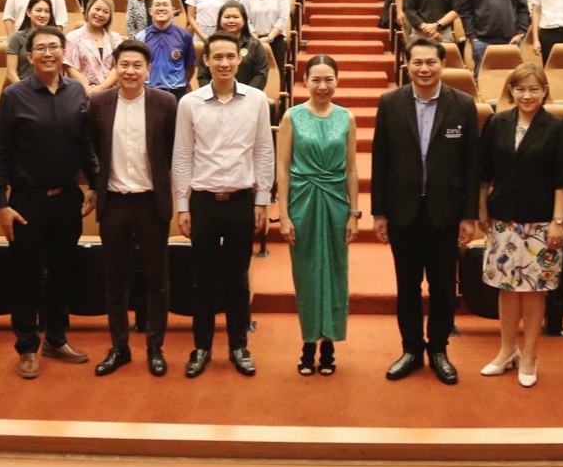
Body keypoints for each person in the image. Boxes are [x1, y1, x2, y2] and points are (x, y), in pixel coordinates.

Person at [0, 25, 98, 379]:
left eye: (54, 47)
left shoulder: (76, 92)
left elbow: (85, 145)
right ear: (29, 55)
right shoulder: (14, 95)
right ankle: (26, 346)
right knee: (27, 276)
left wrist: (95, 185)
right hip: (26, 202)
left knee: (63, 272)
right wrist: (0, 203)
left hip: (67, 200)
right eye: (41, 48)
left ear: (64, 52)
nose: (48, 53)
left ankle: (56, 338)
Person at [373, 37, 479, 385]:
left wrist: (469, 215)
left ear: (443, 64)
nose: (423, 69)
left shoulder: (463, 104)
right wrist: (379, 212)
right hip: (402, 211)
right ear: (407, 65)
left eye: (430, 62)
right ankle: (411, 349)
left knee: (443, 288)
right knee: (407, 287)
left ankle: (439, 350)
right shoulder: (390, 102)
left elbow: (471, 164)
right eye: (417, 62)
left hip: (445, 213)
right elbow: (380, 160)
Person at [172, 30, 275, 378]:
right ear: (206, 61)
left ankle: (238, 346)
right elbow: (182, 155)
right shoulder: (189, 103)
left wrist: (263, 200)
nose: (225, 63)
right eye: (217, 57)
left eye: (231, 56)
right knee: (201, 279)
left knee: (238, 279)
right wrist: (182, 205)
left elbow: (264, 151)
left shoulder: (257, 100)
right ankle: (201, 347)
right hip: (203, 201)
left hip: (241, 201)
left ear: (239, 58)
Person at [477, 64, 563, 388]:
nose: (527, 95)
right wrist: (481, 209)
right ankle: (507, 351)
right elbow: (483, 173)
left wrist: (558, 221)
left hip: (542, 222)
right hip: (503, 219)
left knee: (533, 291)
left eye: (533, 89)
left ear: (545, 90)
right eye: (520, 89)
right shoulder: (498, 122)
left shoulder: (557, 127)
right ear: (511, 91)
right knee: (506, 289)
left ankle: (530, 355)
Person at [86, 39, 176, 377]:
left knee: (157, 279)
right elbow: (91, 146)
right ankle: (119, 347)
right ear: (115, 67)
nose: (130, 71)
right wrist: (95, 185)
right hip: (114, 201)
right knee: (114, 280)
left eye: (137, 65)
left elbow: (174, 151)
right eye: (124, 64)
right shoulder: (99, 103)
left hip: (151, 201)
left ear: (148, 69)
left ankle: (155, 347)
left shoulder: (165, 103)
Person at [277, 54, 359, 376]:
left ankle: (329, 344)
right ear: (305, 81)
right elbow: (283, 168)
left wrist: (354, 213)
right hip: (303, 200)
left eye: (329, 79)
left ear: (337, 81)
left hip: (336, 202)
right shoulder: (292, 116)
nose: (323, 86)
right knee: (307, 273)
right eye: (316, 80)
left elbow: (352, 168)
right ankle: (308, 341)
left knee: (336, 272)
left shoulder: (347, 117)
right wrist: (283, 215)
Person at [193, 2, 269, 91]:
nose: (231, 21)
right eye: (227, 17)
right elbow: (203, 75)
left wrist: (246, 94)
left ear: (244, 20)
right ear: (220, 19)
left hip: (248, 95)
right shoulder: (211, 44)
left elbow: (261, 73)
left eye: (236, 17)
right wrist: (212, 94)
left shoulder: (254, 45)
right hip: (214, 96)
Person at [137, 0, 195, 99]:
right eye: (157, 5)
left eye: (165, 5)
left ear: (173, 10)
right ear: (150, 11)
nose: (161, 8)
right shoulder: (140, 37)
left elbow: (190, 67)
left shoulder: (185, 36)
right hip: (150, 93)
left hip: (177, 93)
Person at [64, 0, 121, 92]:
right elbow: (71, 68)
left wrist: (101, 88)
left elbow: (117, 67)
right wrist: (88, 90)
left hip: (110, 92)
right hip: (82, 92)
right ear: (89, 9)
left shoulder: (115, 39)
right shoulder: (73, 37)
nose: (100, 14)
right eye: (97, 9)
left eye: (105, 12)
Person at [240, 0, 291, 70]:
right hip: (253, 40)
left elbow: (283, 19)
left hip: (276, 40)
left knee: (277, 72)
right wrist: (256, 39)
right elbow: (245, 20)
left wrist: (269, 38)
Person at [5, 0, 57, 83]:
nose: (43, 15)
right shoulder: (17, 37)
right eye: (38, 10)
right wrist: (23, 89)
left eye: (47, 11)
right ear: (28, 12)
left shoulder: (56, 38)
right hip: (23, 86)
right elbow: (11, 73)